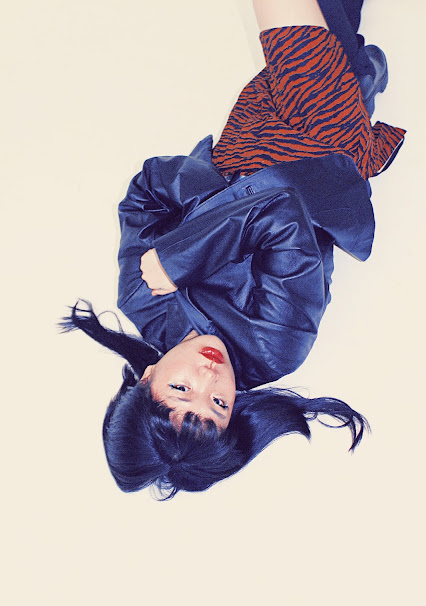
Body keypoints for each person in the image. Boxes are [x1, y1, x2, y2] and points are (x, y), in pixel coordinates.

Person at [61, 0, 405, 498]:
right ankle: (350, 75)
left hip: (252, 121)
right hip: (320, 143)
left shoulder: (141, 303)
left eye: (181, 390)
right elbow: (282, 212)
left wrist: (217, 202)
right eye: (219, 404)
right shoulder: (275, 344)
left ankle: (352, 67)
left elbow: (147, 187)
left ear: (147, 377)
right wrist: (180, 255)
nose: (209, 377)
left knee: (335, 18)